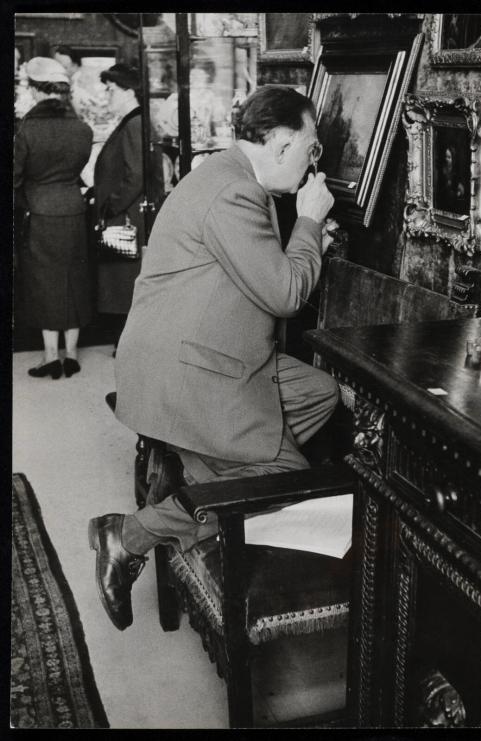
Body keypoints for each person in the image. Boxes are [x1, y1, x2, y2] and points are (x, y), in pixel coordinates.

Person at [88, 85, 338, 630]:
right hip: (184, 372)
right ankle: (128, 534)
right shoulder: (236, 194)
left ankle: (206, 467)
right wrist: (311, 223)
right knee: (283, 477)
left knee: (321, 393)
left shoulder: (229, 176)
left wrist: (304, 236)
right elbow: (286, 295)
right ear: (279, 141)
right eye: (310, 148)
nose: (311, 161)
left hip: (193, 353)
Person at [14, 57, 93, 378]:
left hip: (40, 214)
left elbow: (14, 180)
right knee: (74, 278)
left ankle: (50, 357)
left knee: (44, 283)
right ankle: (71, 354)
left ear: (36, 90)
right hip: (74, 210)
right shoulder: (82, 129)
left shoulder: (26, 131)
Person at [93, 63, 164, 347]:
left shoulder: (135, 123)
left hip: (127, 217)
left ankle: (132, 347)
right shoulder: (135, 121)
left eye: (111, 90)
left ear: (128, 92)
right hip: (128, 215)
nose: (107, 96)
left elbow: (136, 175)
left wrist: (111, 205)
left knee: (126, 286)